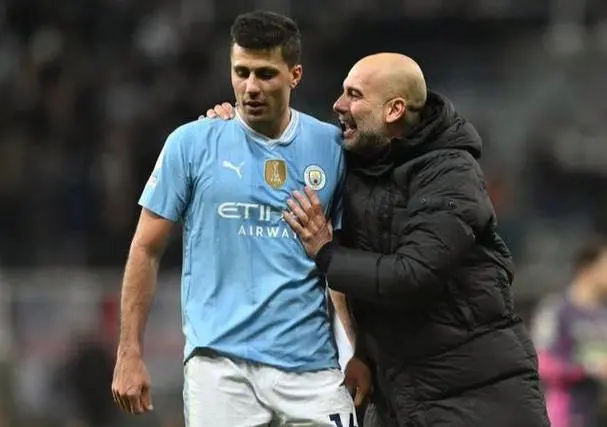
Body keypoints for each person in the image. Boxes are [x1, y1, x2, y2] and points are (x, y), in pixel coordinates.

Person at [205, 53, 550, 427]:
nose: (338, 105)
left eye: (354, 95)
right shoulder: (354, 162)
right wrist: (233, 135)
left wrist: (326, 253)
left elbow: (411, 274)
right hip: (399, 394)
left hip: (479, 393)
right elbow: (278, 167)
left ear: (394, 110)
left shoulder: (450, 173)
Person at [111, 11, 369, 427]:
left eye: (265, 74)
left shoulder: (331, 147)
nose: (251, 87)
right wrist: (129, 352)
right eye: (241, 72)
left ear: (295, 75)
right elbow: (146, 248)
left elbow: (335, 263)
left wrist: (357, 350)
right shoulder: (191, 143)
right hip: (220, 368)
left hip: (312, 370)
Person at [531, 239, 607, 427]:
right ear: (586, 270)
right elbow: (539, 362)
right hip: (564, 414)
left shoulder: (603, 314)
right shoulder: (557, 310)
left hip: (597, 412)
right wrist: (586, 369)